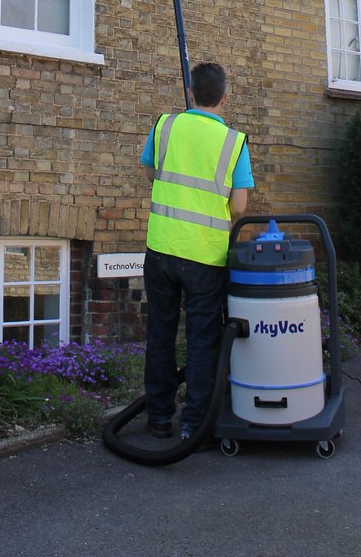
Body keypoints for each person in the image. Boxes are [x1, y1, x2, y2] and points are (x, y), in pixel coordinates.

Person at [139, 62, 254, 440]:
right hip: (205, 257)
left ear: (190, 93)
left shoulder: (164, 126)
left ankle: (158, 418)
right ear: (225, 97)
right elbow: (239, 207)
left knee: (160, 333)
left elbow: (150, 172)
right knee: (202, 339)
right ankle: (194, 426)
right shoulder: (234, 142)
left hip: (160, 248)